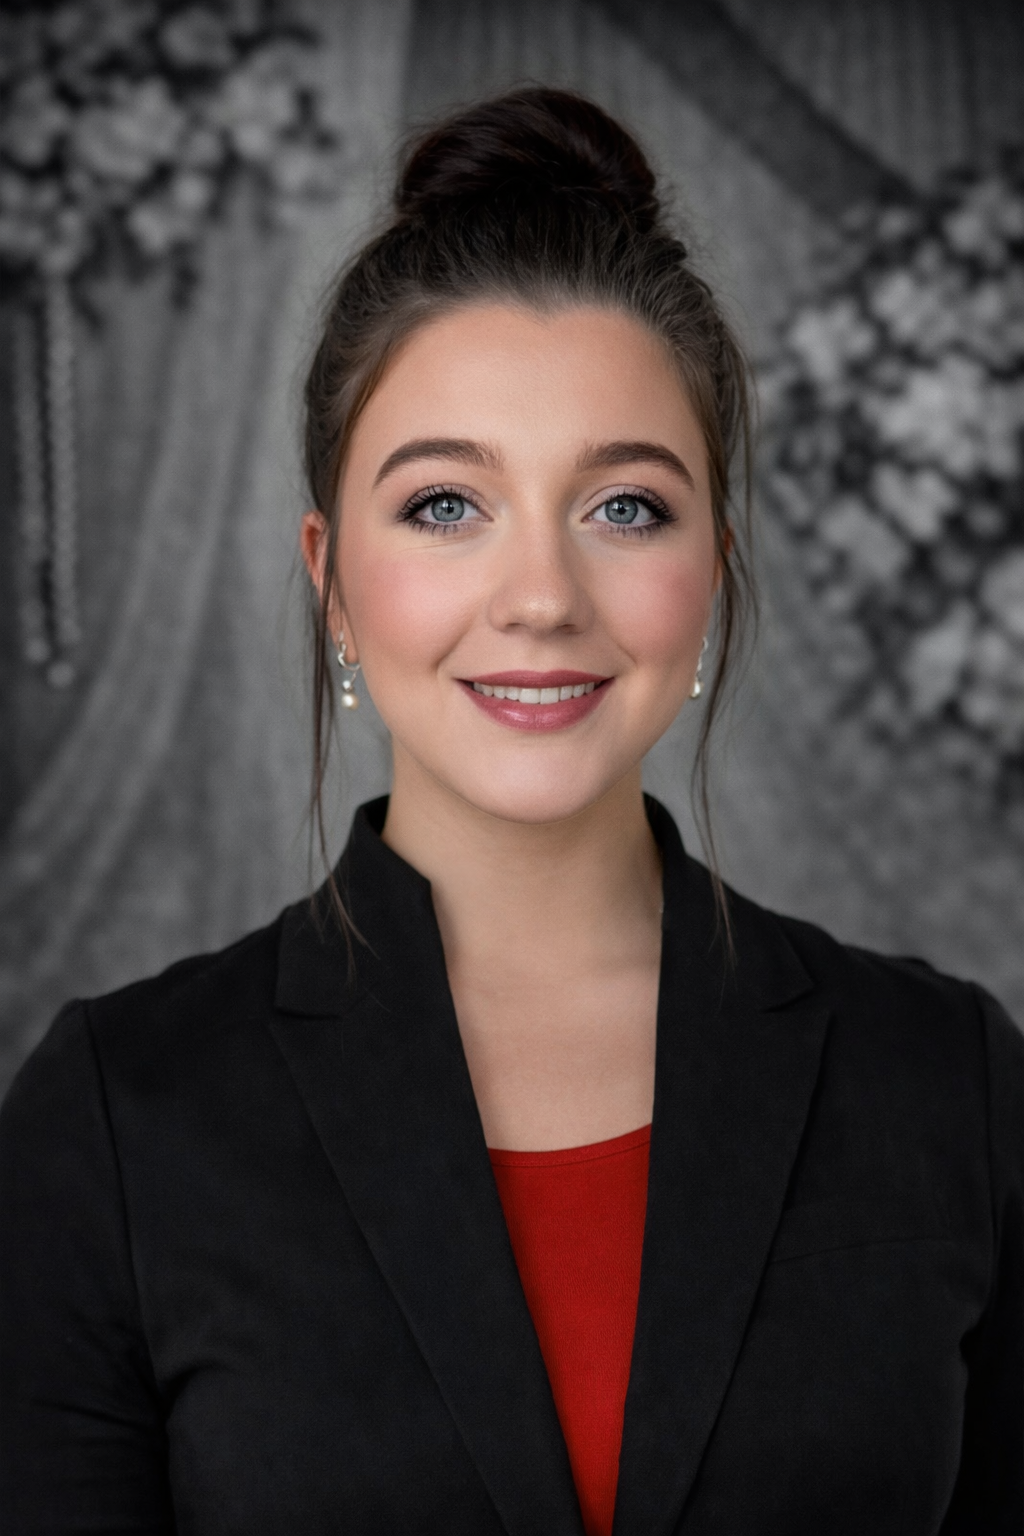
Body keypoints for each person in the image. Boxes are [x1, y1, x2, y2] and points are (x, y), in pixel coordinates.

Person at [0, 86, 1021, 1536]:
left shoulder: (950, 1090)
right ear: (331, 576)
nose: (541, 595)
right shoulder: (114, 1118)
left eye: (625, 507)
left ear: (713, 572)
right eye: (442, 505)